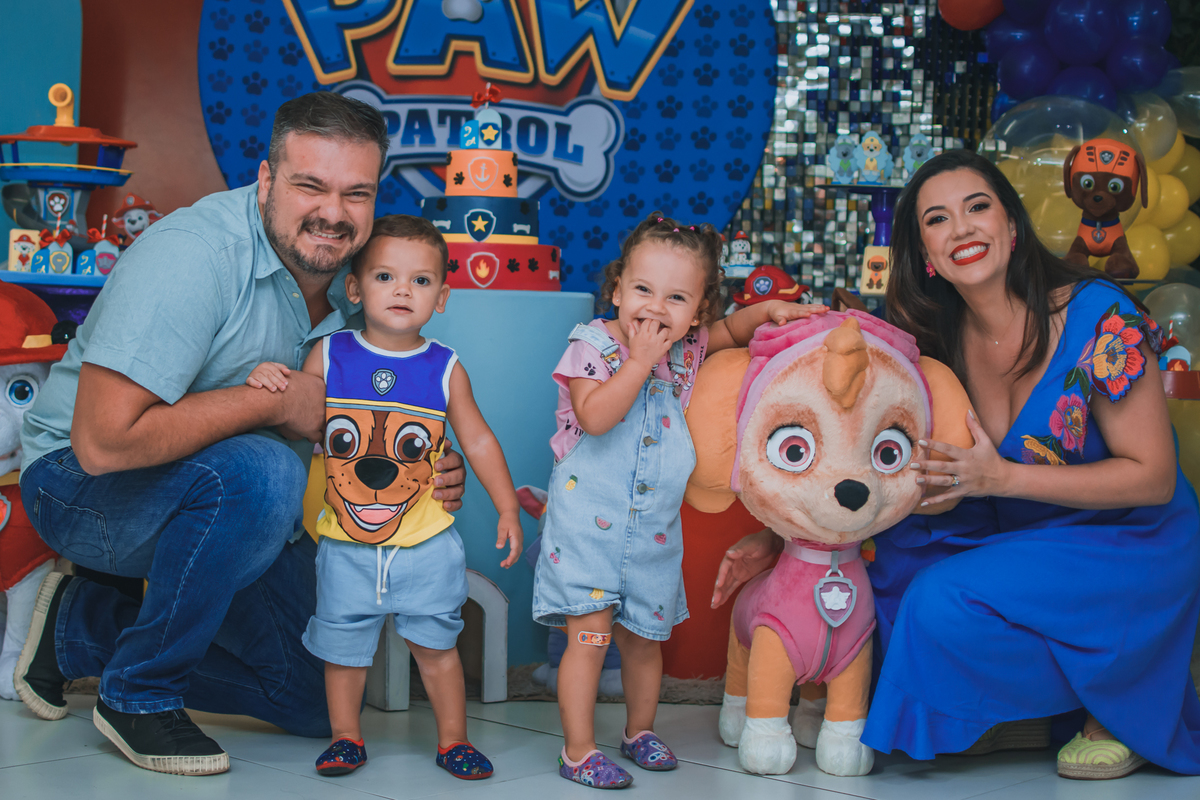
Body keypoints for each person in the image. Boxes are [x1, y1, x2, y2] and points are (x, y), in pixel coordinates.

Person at [13, 93, 469, 776]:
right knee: (264, 470)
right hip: (78, 487)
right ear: (265, 181)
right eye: (309, 184)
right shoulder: (193, 258)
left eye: (356, 193)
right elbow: (101, 445)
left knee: (320, 696)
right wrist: (273, 407)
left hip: (232, 505)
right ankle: (138, 694)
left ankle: (78, 631)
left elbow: (388, 402)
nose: (333, 212)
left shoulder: (367, 278)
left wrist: (433, 459)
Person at [711, 149, 1200, 780]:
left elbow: (1154, 478)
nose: (962, 228)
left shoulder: (1099, 314)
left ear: (1012, 226)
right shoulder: (933, 345)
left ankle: (1120, 705)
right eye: (937, 220)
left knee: (939, 600)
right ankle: (1015, 712)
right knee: (895, 575)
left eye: (978, 207)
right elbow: (869, 463)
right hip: (1023, 538)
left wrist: (1000, 478)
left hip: (1128, 542)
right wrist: (783, 540)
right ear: (927, 257)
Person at [532, 212, 827, 788]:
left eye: (676, 297)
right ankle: (578, 750)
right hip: (588, 535)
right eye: (642, 289)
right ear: (616, 289)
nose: (654, 308)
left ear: (697, 311)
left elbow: (735, 332)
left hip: (652, 536)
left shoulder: (687, 348)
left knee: (645, 642)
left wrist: (770, 313)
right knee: (589, 640)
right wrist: (640, 361)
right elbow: (593, 418)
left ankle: (639, 731)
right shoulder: (592, 344)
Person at [246, 215, 522, 779]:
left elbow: (478, 438)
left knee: (437, 648)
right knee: (344, 649)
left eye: (421, 281)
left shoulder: (444, 368)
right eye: (386, 277)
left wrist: (508, 506)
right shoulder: (330, 354)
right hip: (345, 543)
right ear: (355, 288)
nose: (402, 290)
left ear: (442, 297)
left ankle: (453, 741)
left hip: (424, 543)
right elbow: (302, 423)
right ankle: (346, 737)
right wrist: (269, 379)